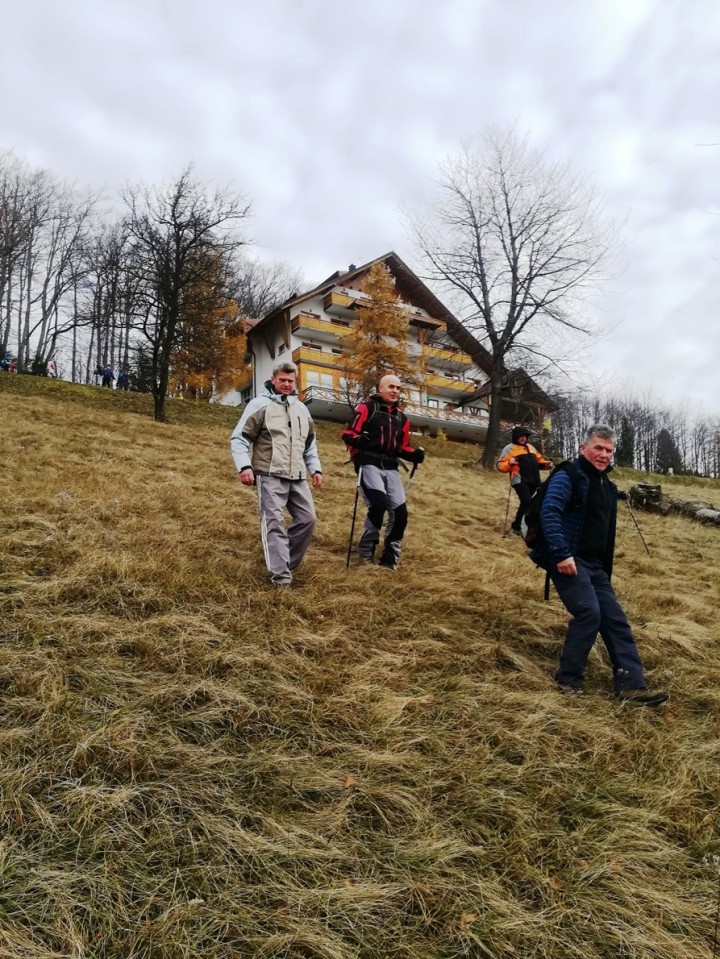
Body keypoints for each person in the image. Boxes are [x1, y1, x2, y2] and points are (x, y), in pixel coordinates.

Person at [530, 424, 668, 706]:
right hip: (568, 558)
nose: (603, 455)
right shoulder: (568, 475)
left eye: (608, 450)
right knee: (588, 613)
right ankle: (568, 679)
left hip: (595, 566)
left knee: (615, 621)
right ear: (583, 448)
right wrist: (561, 553)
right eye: (598, 448)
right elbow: (550, 511)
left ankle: (631, 685)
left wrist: (604, 570)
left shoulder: (608, 486)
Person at [230, 361, 323, 587]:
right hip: (269, 473)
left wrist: (316, 469)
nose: (287, 384)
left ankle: (284, 563)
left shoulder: (302, 409)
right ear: (274, 380)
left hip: (298, 475)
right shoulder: (259, 405)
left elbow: (309, 444)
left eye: (291, 381)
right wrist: (244, 466)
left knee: (308, 519)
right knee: (274, 523)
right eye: (282, 380)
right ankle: (280, 577)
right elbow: (239, 438)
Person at [341, 372, 425, 570]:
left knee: (400, 513)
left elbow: (402, 447)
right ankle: (366, 552)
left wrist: (414, 455)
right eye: (391, 387)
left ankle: (389, 558)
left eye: (398, 388)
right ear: (380, 388)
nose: (395, 391)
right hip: (368, 463)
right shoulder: (367, 408)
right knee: (378, 505)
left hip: (390, 467)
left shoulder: (401, 418)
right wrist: (358, 440)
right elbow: (348, 434)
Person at [497, 425, 553, 535]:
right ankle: (516, 527)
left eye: (525, 436)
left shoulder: (531, 447)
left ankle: (528, 526)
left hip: (534, 480)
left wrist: (547, 464)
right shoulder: (509, 448)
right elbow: (500, 466)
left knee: (534, 503)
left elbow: (539, 462)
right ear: (515, 437)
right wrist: (509, 463)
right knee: (526, 501)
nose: (523, 438)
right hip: (519, 480)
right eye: (521, 436)